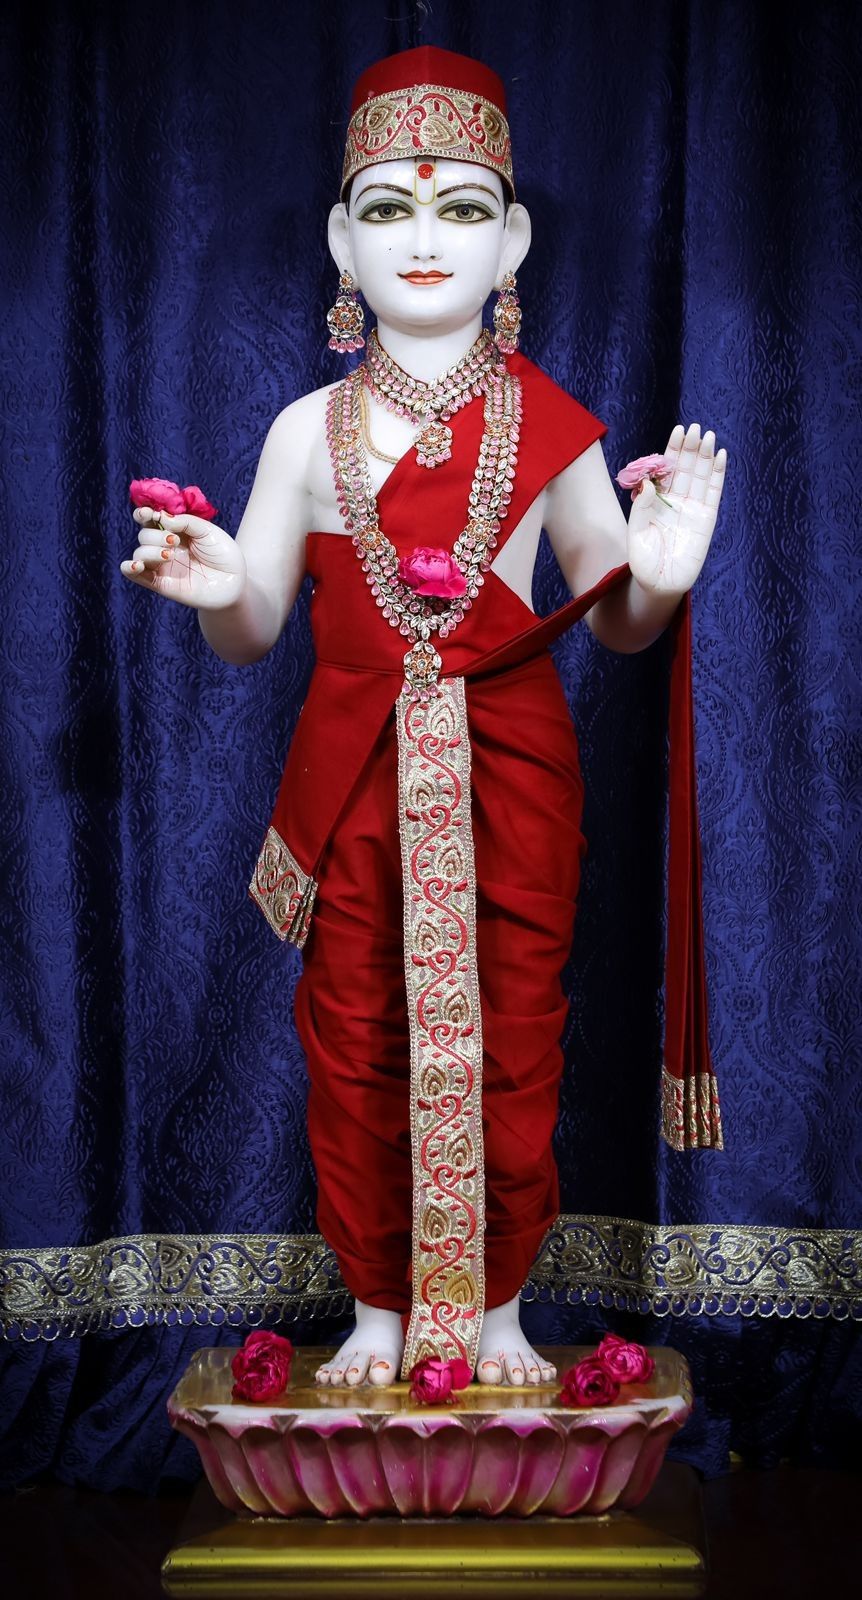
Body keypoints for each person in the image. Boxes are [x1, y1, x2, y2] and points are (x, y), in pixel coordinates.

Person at [121, 47, 726, 1391]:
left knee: (512, 1028)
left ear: (509, 240)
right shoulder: (301, 433)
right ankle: (384, 1313)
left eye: (460, 210)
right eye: (388, 209)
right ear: (343, 242)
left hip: (511, 777)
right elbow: (255, 627)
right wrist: (220, 586)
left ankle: (498, 1306)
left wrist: (661, 578)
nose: (424, 240)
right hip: (352, 787)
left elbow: (610, 621)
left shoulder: (551, 427)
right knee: (353, 1038)